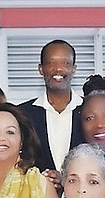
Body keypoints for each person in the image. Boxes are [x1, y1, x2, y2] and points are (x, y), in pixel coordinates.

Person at [18, 39, 83, 179]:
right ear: (41, 69)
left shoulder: (88, 111)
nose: (58, 69)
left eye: (65, 63)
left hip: (82, 196)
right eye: (51, 63)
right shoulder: (22, 114)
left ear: (74, 69)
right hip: (37, 197)